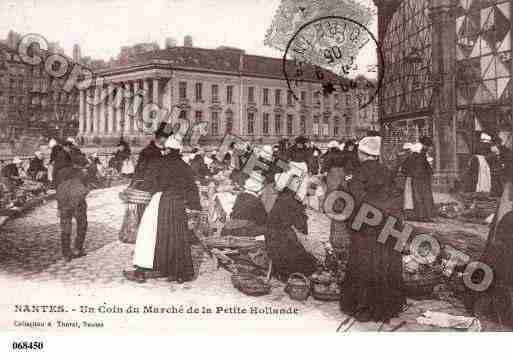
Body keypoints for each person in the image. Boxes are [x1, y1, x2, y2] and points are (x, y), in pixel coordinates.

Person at [340, 136, 406, 323]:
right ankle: (389, 306)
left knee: (364, 263)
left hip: (366, 226)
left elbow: (353, 201)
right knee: (386, 262)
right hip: (388, 225)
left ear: (362, 153)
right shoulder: (389, 172)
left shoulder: (357, 174)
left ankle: (364, 306)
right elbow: (396, 199)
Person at [123, 135, 201, 284]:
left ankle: (141, 271)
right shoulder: (185, 167)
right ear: (178, 151)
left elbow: (149, 183)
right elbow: (192, 189)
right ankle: (179, 273)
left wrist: (134, 190)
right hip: (178, 204)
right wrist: (194, 207)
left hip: (162, 202)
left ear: (166, 150)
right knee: (178, 237)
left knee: (148, 235)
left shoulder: (159, 163)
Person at [265, 166, 318, 282]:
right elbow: (300, 227)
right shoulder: (290, 200)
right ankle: (287, 272)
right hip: (280, 238)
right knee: (307, 260)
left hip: (273, 235)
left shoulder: (283, 197)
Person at [55, 141, 90, 262]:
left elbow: (58, 189)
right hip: (78, 204)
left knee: (65, 227)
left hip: (64, 204)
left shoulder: (61, 173)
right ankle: (78, 248)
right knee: (82, 225)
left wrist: (59, 206)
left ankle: (66, 253)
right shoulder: (83, 174)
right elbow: (86, 189)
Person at [221, 170, 267, 237]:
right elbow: (262, 220)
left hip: (231, 229)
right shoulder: (256, 201)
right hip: (243, 232)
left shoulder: (241, 196)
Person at [402, 137, 436, 221]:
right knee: (424, 196)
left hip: (418, 177)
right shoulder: (420, 154)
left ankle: (422, 215)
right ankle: (426, 215)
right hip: (421, 177)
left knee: (420, 196)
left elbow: (406, 166)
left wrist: (406, 172)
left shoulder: (416, 154)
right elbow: (426, 166)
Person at [131, 123, 169, 192]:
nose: (165, 139)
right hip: (150, 181)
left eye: (167, 137)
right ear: (157, 137)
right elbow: (140, 168)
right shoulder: (147, 151)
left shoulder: (167, 150)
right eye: (164, 137)